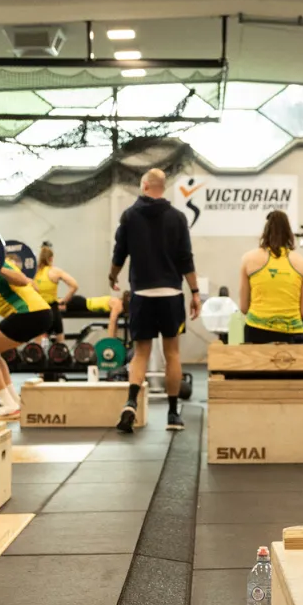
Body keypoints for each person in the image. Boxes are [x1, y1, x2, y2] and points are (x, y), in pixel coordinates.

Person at [110, 169, 200, 433]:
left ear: (145, 185)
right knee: (172, 353)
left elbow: (119, 253)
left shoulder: (129, 216)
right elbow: (186, 258)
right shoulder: (178, 218)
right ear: (162, 187)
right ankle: (173, 415)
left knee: (140, 353)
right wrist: (194, 291)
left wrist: (112, 276)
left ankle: (130, 404)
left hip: (142, 295)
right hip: (171, 294)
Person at [0, 260, 54, 420]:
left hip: (29, 313)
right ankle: (14, 402)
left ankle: (8, 404)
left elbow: (23, 280)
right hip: (35, 314)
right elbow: (30, 284)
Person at [239, 210, 303, 344]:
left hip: (256, 332)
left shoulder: (248, 259)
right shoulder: (302, 264)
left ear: (265, 231)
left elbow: (244, 308)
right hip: (292, 334)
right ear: (289, 232)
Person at [32, 242, 81, 344]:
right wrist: (64, 300)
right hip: (53, 311)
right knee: (60, 345)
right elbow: (74, 286)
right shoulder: (55, 271)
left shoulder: (33, 272)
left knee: (38, 348)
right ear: (51, 258)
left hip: (38, 311)